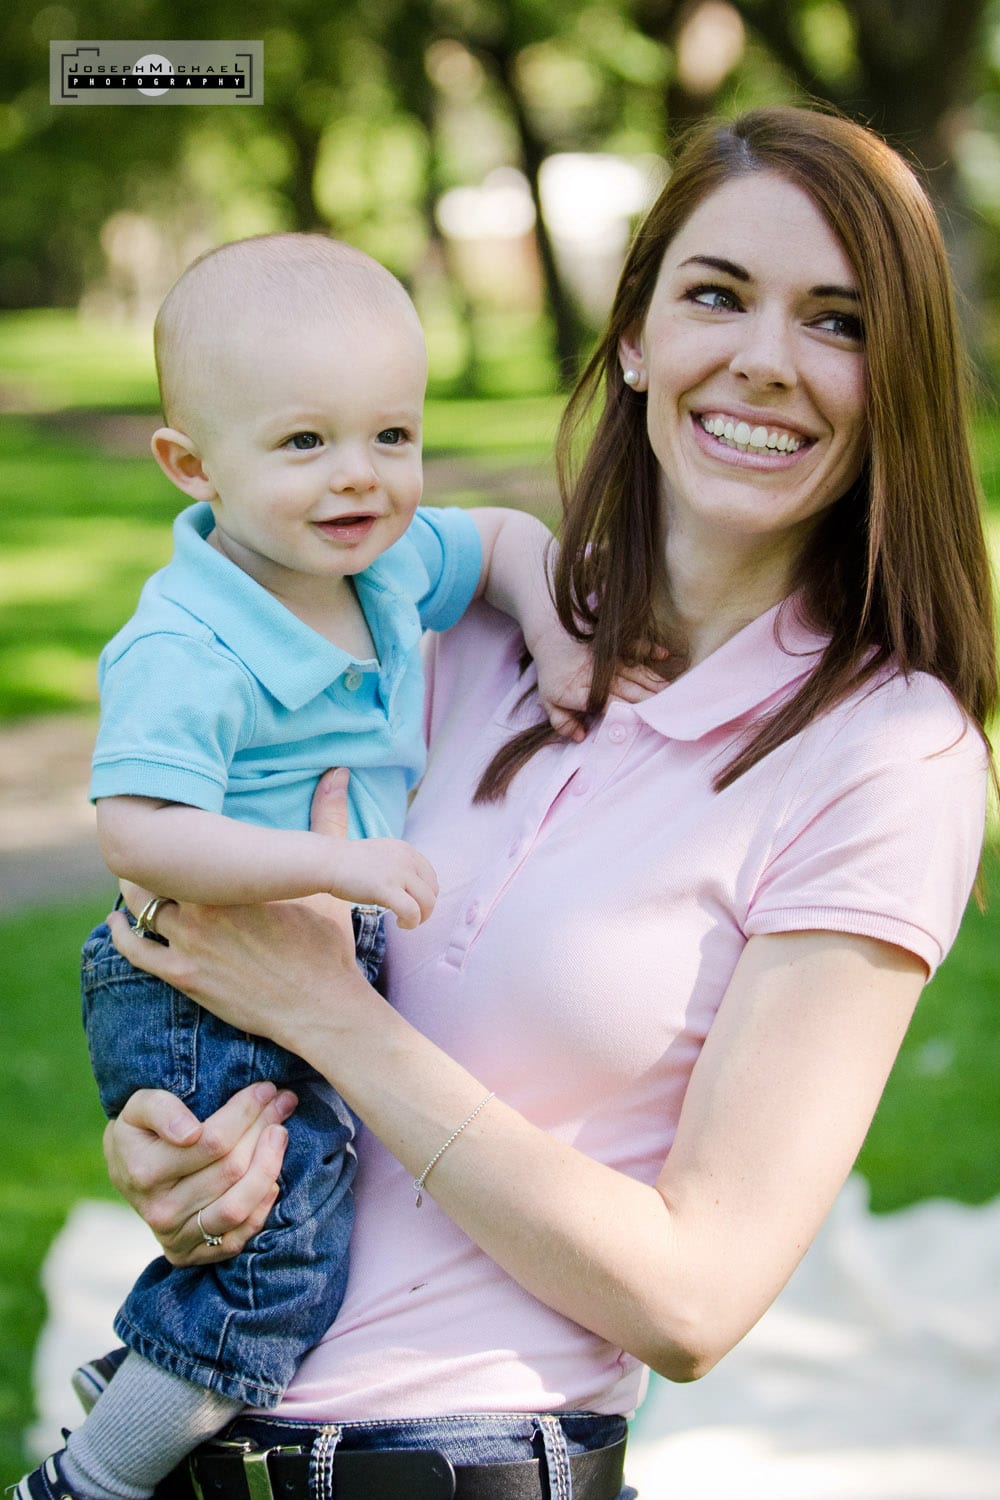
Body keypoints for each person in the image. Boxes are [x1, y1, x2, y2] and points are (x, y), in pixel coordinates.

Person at [56, 105, 1000, 1500]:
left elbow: (693, 1300)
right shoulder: (445, 623)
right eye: (717, 295)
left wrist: (330, 1016)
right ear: (633, 334)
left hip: (458, 1461)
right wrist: (178, 1149)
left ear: (898, 379)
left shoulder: (886, 755)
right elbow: (199, 910)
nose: (764, 361)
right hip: (200, 1455)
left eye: (840, 322)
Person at [16, 235, 663, 1500]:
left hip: (302, 945)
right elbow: (136, 831)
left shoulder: (373, 567)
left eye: (392, 436)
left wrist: (554, 632)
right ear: (190, 466)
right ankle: (92, 1475)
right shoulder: (189, 643)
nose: (359, 477)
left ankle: (158, 1375)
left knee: (282, 1231)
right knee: (273, 1265)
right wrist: (330, 863)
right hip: (198, 973)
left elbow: (501, 537)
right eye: (304, 444)